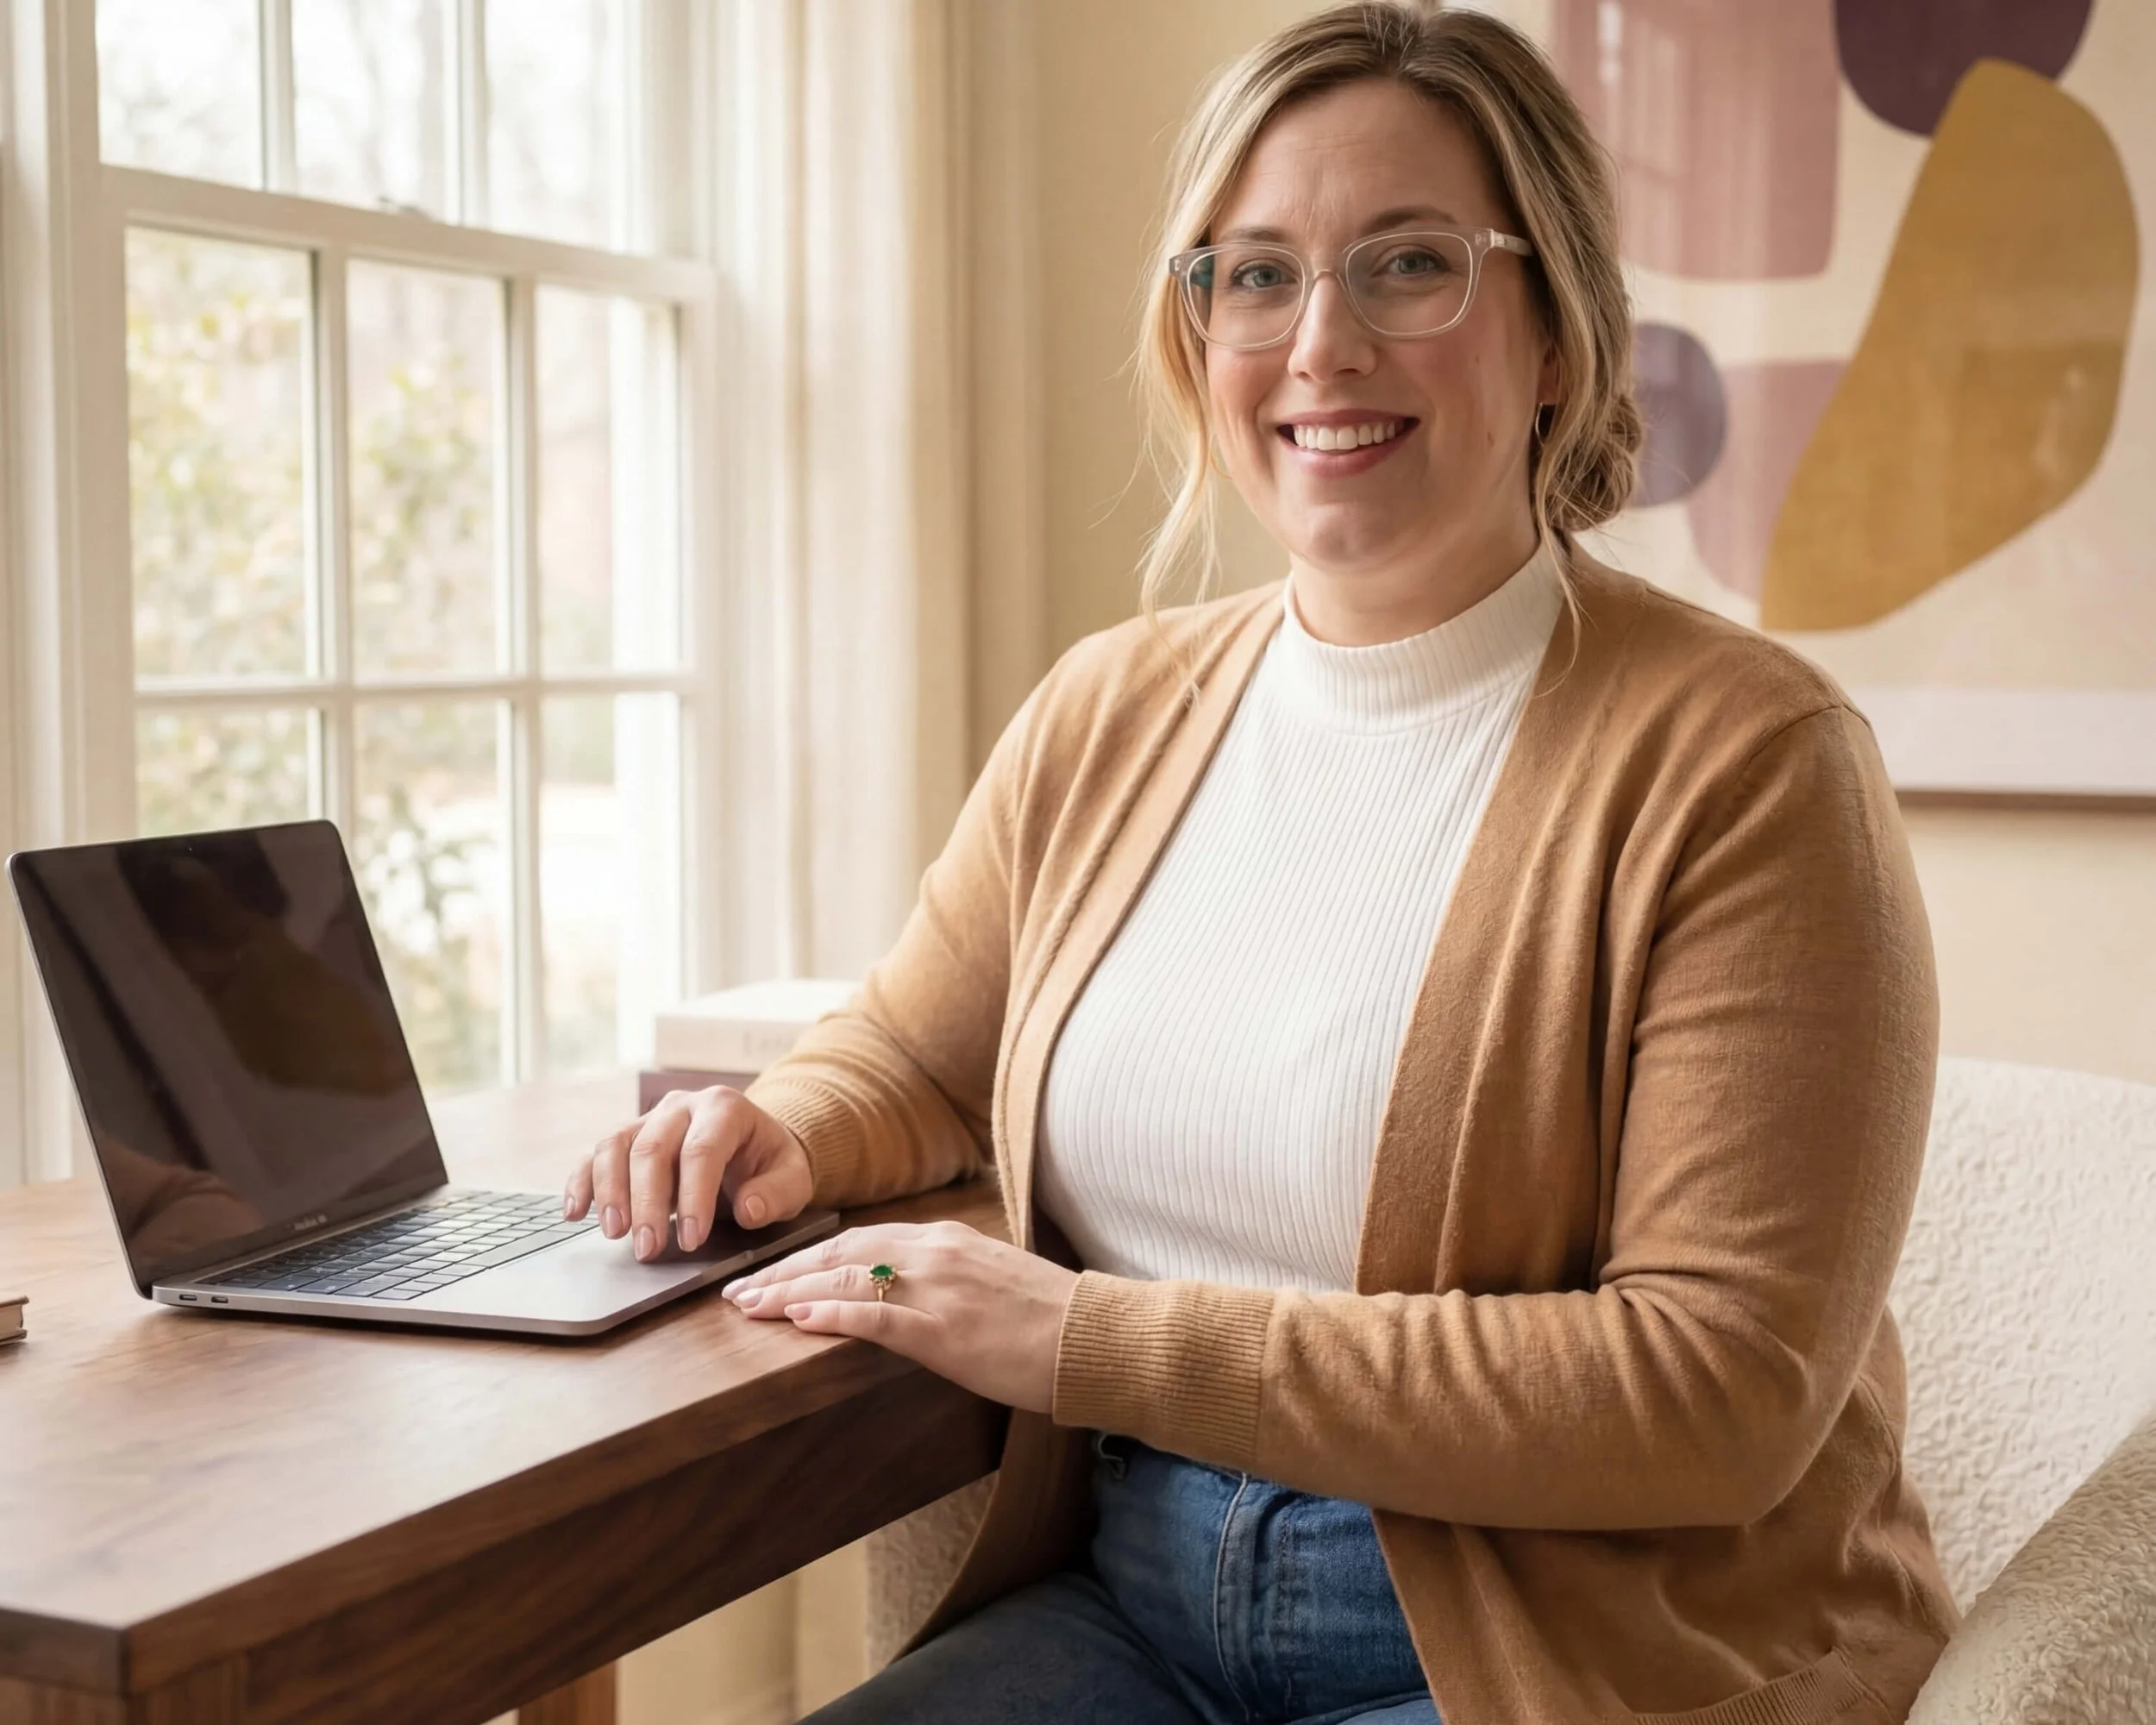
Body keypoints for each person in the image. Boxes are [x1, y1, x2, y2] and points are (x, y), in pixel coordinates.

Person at [563, 6, 1957, 1721]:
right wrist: (779, 1125)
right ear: (1193, 329)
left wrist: (1082, 1341)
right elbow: (918, 1049)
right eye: (1251, 274)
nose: (1320, 342)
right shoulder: (1107, 709)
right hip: (1136, 1599)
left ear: (1551, 335)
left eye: (1407, 265)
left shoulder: (1746, 763)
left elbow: (1715, 1389)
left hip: (1568, 1644)